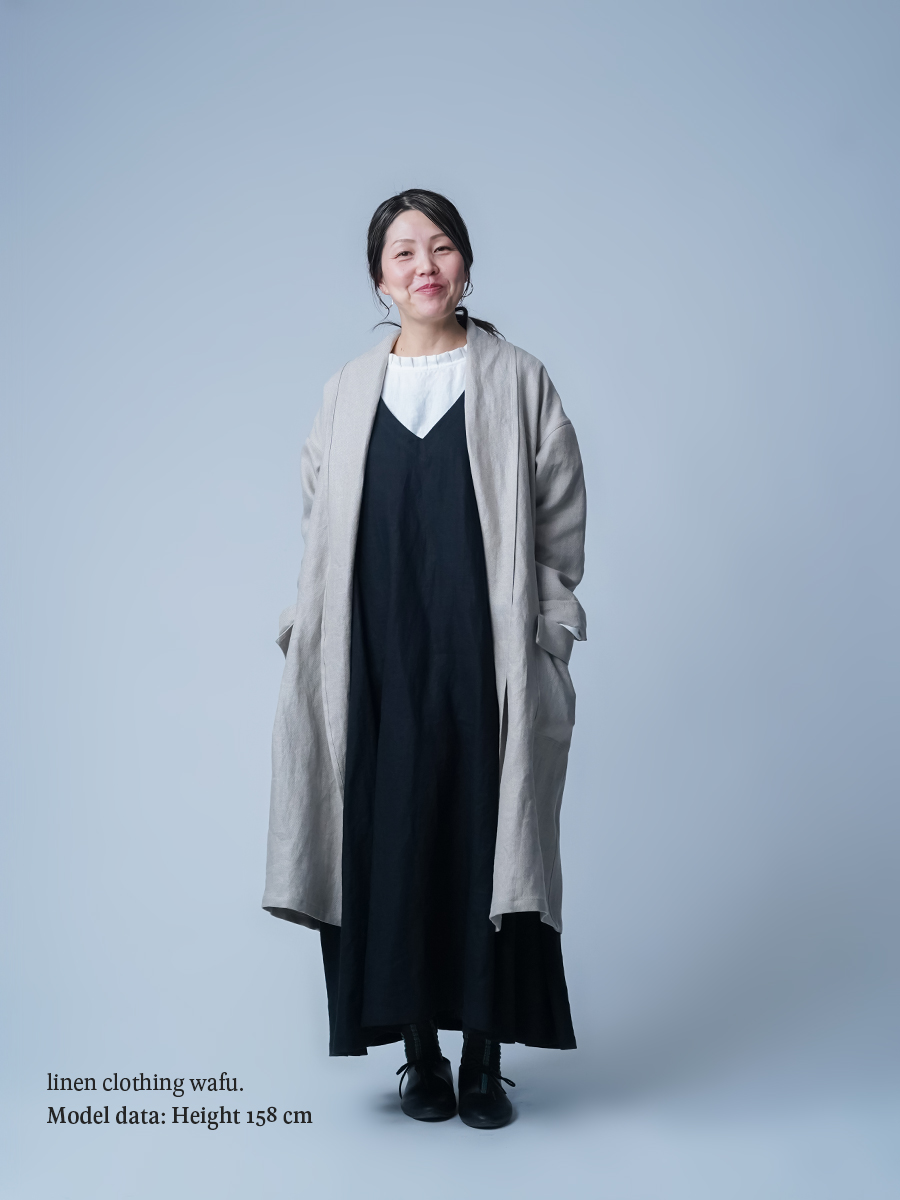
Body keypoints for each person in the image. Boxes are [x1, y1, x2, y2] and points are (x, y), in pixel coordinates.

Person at [263, 189, 586, 1129]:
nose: (424, 266)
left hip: (486, 653)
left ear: (466, 266)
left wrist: (550, 631)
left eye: (440, 247)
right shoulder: (346, 390)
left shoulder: (517, 379)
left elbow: (560, 519)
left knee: (487, 832)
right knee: (390, 829)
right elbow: (320, 523)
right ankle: (421, 1056)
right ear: (380, 278)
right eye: (403, 252)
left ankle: (483, 1057)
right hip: (375, 655)